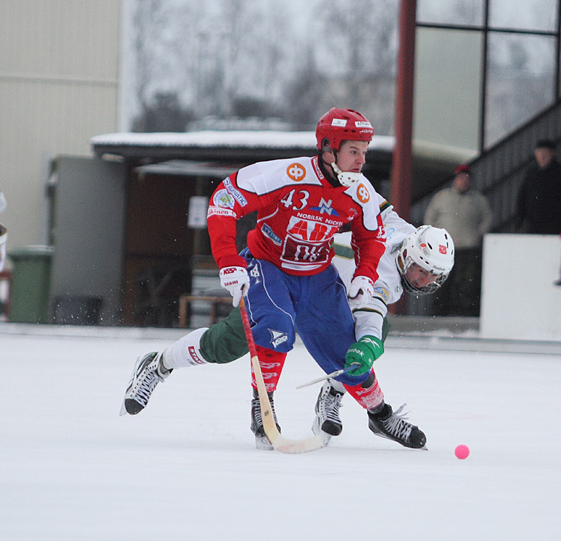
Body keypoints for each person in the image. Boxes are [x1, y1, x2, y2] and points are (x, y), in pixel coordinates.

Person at [121, 107, 424, 450]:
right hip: (268, 268)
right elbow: (224, 201)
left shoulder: (361, 191)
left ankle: (380, 415)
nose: (361, 161)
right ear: (327, 148)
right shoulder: (288, 173)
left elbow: (372, 236)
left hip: (318, 279)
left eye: (364, 153)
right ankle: (166, 368)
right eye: (353, 151)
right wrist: (229, 262)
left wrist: (366, 275)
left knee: (350, 354)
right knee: (250, 336)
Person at [424, 164, 492, 316]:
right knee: (441, 281)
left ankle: (466, 313)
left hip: (469, 248)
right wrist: (433, 236)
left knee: (467, 283)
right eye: (461, 178)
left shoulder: (478, 200)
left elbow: (487, 217)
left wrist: (480, 232)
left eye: (467, 179)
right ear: (455, 180)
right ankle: (438, 312)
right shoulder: (442, 197)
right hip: (444, 249)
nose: (464, 181)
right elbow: (430, 217)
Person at [515, 139, 561, 234]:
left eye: (545, 152)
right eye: (539, 153)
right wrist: (519, 222)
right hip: (533, 226)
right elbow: (522, 198)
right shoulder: (531, 173)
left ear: (552, 154)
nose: (542, 156)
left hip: (557, 227)